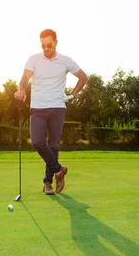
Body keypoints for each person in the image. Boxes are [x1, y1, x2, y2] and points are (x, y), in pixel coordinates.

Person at [14, 29, 88, 195]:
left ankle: (48, 183)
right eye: (43, 45)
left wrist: (72, 95)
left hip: (57, 107)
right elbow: (25, 78)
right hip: (38, 108)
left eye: (49, 45)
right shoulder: (33, 59)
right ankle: (59, 170)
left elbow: (83, 77)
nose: (46, 48)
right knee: (37, 141)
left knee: (53, 145)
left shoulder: (65, 61)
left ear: (55, 42)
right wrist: (22, 89)